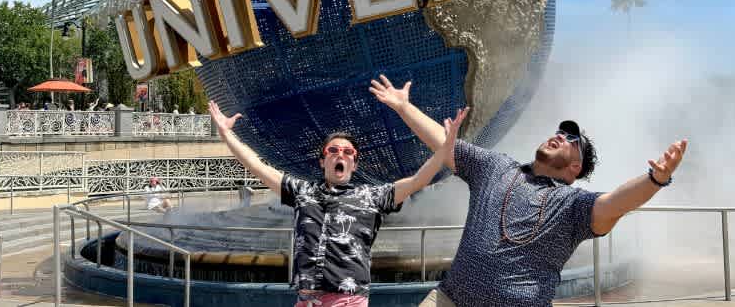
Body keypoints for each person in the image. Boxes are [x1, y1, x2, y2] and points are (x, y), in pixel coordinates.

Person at [368, 75, 689, 307]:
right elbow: (445, 144)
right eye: (559, 131)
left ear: (575, 168)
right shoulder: (495, 168)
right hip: (449, 299)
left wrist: (655, 179)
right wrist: (403, 107)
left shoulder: (571, 205)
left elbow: (614, 204)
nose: (560, 136)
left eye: (571, 139)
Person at [207, 99, 463, 307]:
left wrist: (446, 145)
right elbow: (256, 166)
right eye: (333, 151)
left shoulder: (371, 197)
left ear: (354, 163)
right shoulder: (301, 192)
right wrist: (226, 134)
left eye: (348, 152)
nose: (340, 154)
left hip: (347, 300)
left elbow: (419, 180)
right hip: (306, 299)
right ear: (322, 161)